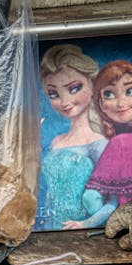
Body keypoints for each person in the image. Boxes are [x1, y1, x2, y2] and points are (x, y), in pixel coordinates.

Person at [66, 60, 132, 230]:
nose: (121, 102)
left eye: (130, 91)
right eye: (109, 94)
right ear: (101, 104)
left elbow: (96, 199)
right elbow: (97, 198)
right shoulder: (123, 143)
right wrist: (89, 224)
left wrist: (95, 223)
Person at [36, 45, 108, 230]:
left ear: (92, 85)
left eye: (74, 88)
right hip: (51, 231)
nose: (65, 101)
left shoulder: (99, 144)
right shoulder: (56, 142)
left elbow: (114, 202)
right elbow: (51, 196)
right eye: (54, 94)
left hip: (84, 233)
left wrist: (86, 224)